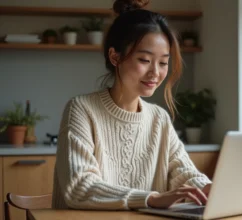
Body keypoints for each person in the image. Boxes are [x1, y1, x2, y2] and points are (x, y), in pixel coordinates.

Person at [52, 0, 212, 210]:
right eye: (145, 60)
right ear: (115, 56)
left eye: (163, 62)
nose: (156, 72)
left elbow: (185, 174)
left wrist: (211, 189)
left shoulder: (158, 118)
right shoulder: (81, 109)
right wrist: (151, 198)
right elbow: (80, 187)